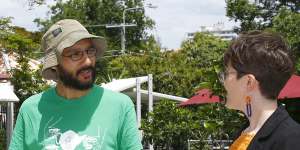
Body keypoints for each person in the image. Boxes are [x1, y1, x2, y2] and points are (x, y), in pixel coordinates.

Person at [9, 19, 142, 150]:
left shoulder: (119, 106)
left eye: (90, 51)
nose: (88, 62)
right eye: (75, 54)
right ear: (55, 65)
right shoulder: (31, 110)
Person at [219, 31, 300, 150]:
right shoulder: (246, 132)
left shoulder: (292, 140)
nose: (223, 81)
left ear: (248, 82)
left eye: (227, 73)